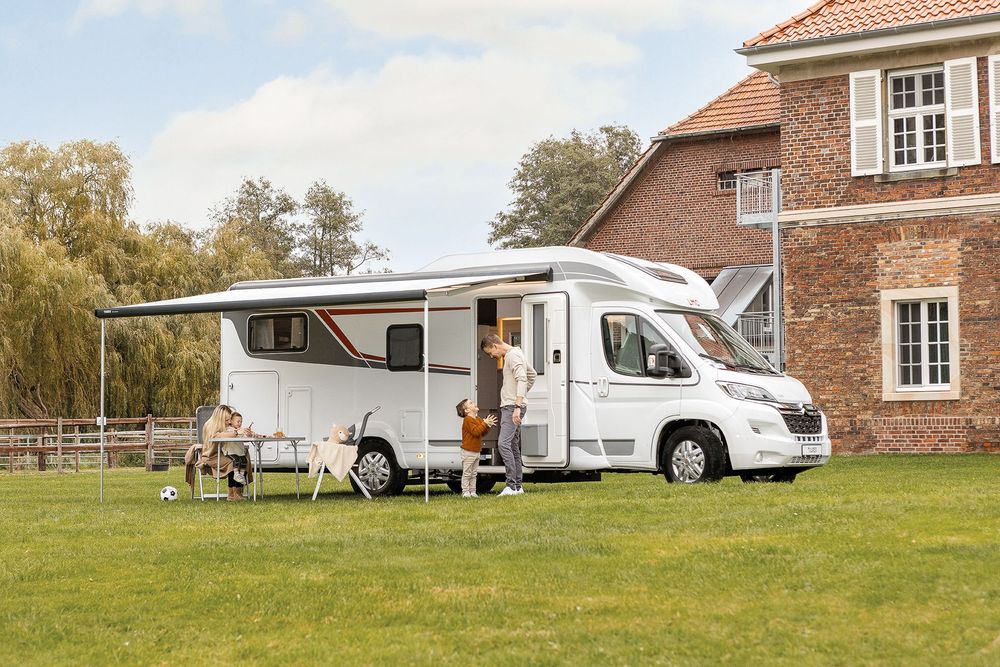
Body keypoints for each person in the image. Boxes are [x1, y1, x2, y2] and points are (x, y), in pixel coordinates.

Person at [480, 333, 536, 496]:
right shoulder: (517, 353)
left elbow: (523, 379)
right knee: (512, 445)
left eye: (490, 353)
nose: (492, 356)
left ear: (494, 346)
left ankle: (512, 485)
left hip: (512, 407)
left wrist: (518, 404)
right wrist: (521, 396)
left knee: (503, 444)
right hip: (514, 405)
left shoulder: (512, 356)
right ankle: (517, 486)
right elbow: (532, 375)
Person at [200, 404, 251, 501]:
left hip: (222, 453)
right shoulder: (210, 425)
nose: (228, 422)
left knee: (243, 458)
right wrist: (236, 432)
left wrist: (243, 432)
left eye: (229, 420)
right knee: (233, 462)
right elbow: (217, 436)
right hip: (211, 456)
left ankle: (239, 491)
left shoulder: (225, 426)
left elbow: (230, 434)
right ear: (219, 418)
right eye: (226, 420)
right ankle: (232, 494)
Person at [455, 398, 497, 498]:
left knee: (474, 474)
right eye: (471, 403)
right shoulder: (468, 420)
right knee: (467, 473)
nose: (474, 403)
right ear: (467, 410)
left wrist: (487, 425)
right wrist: (484, 423)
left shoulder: (477, 419)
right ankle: (465, 492)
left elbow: (482, 433)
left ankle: (473, 491)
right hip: (468, 451)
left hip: (476, 451)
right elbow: (475, 432)